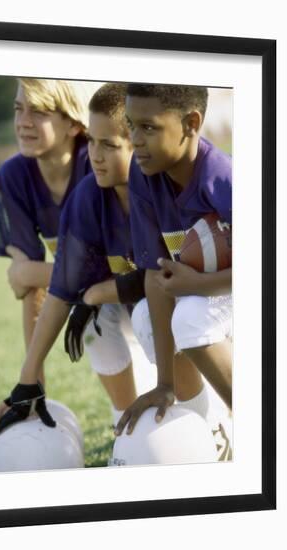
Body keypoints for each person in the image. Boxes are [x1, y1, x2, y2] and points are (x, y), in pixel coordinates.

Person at [0, 83, 209, 438]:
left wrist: (92, 293)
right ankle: (126, 424)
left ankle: (207, 423)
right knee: (93, 321)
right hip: (134, 299)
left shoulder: (162, 183)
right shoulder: (88, 196)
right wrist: (28, 382)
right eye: (93, 141)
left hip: (202, 299)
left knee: (152, 315)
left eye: (108, 144)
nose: (95, 155)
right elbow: (60, 289)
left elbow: (161, 276)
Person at [115, 83, 232, 449]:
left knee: (188, 318)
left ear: (190, 122)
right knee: (146, 320)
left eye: (148, 127)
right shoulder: (143, 174)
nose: (135, 139)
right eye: (131, 125)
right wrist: (164, 383)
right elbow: (154, 275)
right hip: (211, 291)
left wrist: (198, 285)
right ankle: (212, 433)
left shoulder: (223, 179)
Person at [0, 78, 98, 385]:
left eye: (38, 111)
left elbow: (115, 270)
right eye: (18, 108)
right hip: (95, 297)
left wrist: (31, 273)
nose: (23, 122)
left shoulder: (99, 163)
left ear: (74, 124)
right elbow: (30, 289)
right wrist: (32, 382)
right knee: (90, 315)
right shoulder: (12, 178)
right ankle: (125, 416)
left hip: (142, 291)